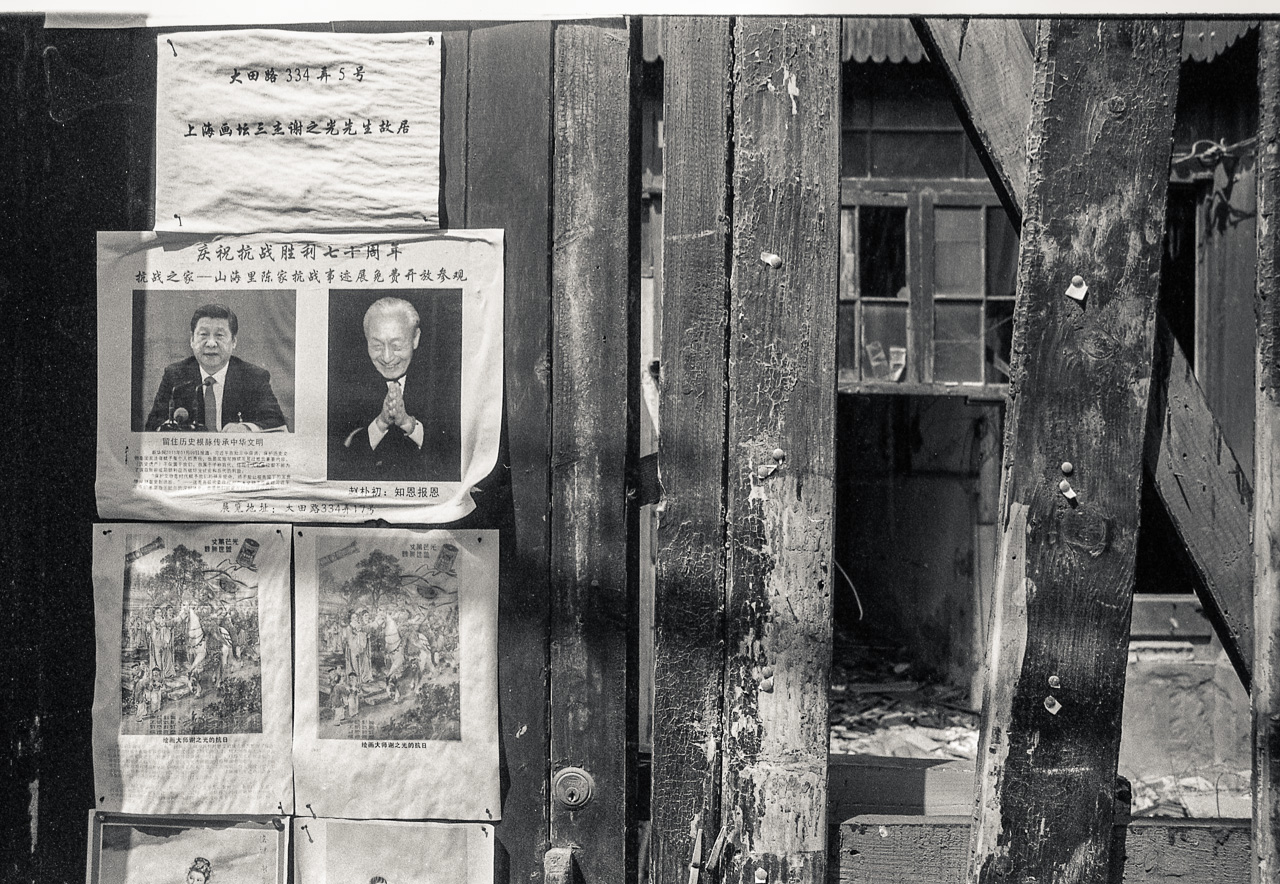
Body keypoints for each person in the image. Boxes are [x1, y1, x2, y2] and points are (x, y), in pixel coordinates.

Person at [329, 297, 459, 481]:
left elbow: (455, 454)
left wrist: (410, 426)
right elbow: (338, 460)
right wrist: (380, 424)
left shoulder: (445, 380)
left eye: (397, 346)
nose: (387, 357)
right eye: (377, 346)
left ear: (416, 338)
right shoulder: (344, 383)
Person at [144, 303, 287, 433]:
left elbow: (276, 422)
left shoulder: (253, 376)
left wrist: (246, 428)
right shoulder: (176, 375)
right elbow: (152, 425)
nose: (211, 343)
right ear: (192, 340)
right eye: (203, 335)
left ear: (234, 342)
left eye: (219, 335)